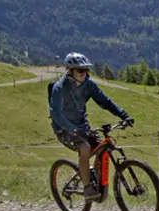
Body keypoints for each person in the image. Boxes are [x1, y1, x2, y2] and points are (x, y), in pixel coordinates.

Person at [49, 53, 132, 199]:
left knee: (102, 148)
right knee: (85, 148)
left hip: (82, 126)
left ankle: (94, 179)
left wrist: (123, 115)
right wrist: (71, 128)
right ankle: (87, 188)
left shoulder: (88, 84)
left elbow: (105, 101)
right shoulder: (59, 88)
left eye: (86, 70)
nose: (84, 74)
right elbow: (56, 114)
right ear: (70, 70)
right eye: (80, 71)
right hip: (64, 129)